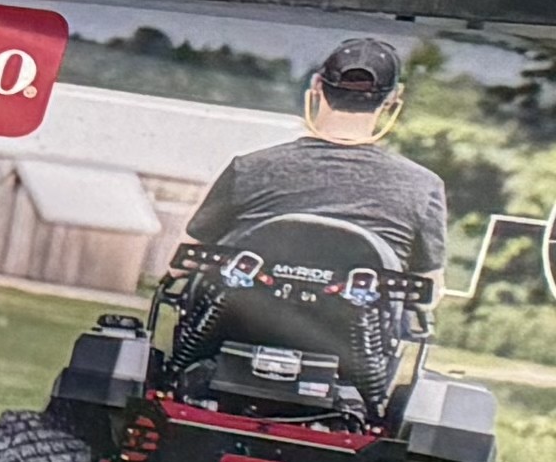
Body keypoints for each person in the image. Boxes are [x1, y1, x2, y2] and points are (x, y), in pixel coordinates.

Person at [182, 31, 449, 288]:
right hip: (352, 322)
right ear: (393, 98)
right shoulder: (423, 187)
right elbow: (427, 292)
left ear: (317, 86)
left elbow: (183, 263)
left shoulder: (248, 168)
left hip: (239, 317)